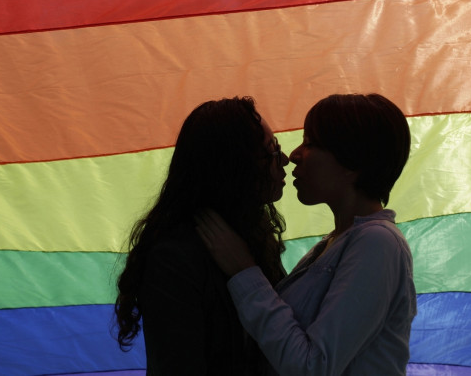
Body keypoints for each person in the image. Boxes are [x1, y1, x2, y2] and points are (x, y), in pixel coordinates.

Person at [196, 93, 416, 376]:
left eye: (310, 143)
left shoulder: (378, 242)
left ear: (352, 163)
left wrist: (244, 272)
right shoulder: (335, 242)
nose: (293, 155)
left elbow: (312, 367)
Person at [114, 96, 290, 375]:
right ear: (235, 167)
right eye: (270, 152)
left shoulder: (252, 234)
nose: (285, 159)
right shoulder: (173, 258)